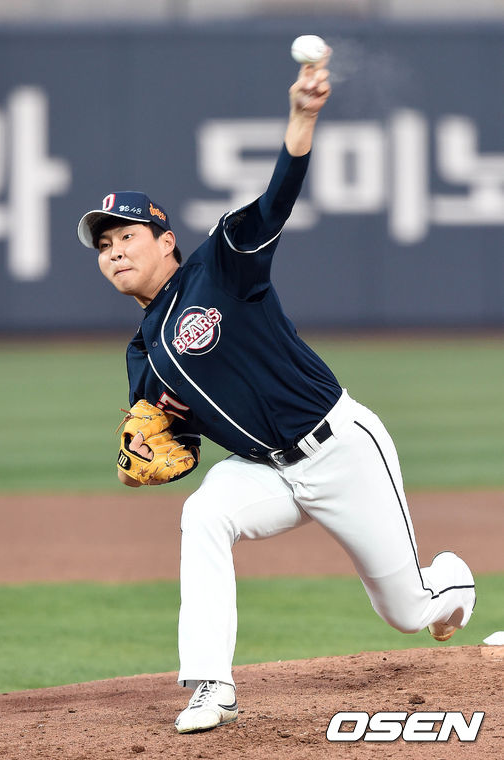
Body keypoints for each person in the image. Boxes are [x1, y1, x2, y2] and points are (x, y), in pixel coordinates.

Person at [77, 50, 476, 735]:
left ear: (166, 242)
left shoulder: (221, 265)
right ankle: (212, 685)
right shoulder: (144, 352)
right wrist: (142, 461)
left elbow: (277, 197)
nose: (113, 250)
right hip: (266, 471)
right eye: (103, 244)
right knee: (205, 515)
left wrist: (303, 116)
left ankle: (454, 581)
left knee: (407, 612)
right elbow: (177, 442)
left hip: (341, 449)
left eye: (127, 236)